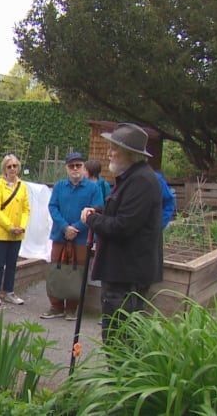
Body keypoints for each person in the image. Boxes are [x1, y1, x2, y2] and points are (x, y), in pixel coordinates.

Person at [81, 123, 163, 344]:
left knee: (119, 340)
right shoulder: (132, 178)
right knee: (115, 337)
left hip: (127, 277)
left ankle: (118, 379)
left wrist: (91, 219)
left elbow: (123, 226)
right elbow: (118, 210)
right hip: (121, 274)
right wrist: (97, 211)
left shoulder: (141, 182)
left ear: (130, 153)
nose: (109, 152)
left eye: (114, 148)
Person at [43, 152, 103, 320]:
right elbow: (53, 207)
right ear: (66, 168)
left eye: (78, 165)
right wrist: (64, 227)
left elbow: (96, 209)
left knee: (78, 272)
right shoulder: (59, 186)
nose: (75, 169)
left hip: (82, 237)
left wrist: (76, 228)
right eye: (72, 166)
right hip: (60, 236)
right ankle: (55, 306)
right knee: (56, 269)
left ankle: (71, 308)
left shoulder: (93, 188)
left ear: (83, 167)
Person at [0, 154, 30, 306]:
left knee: (12, 263)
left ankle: (9, 292)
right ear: (4, 169)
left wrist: (22, 226)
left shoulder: (22, 186)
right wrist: (9, 226)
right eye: (9, 166)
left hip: (17, 233)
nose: (12, 169)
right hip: (1, 232)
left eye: (15, 166)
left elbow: (26, 209)